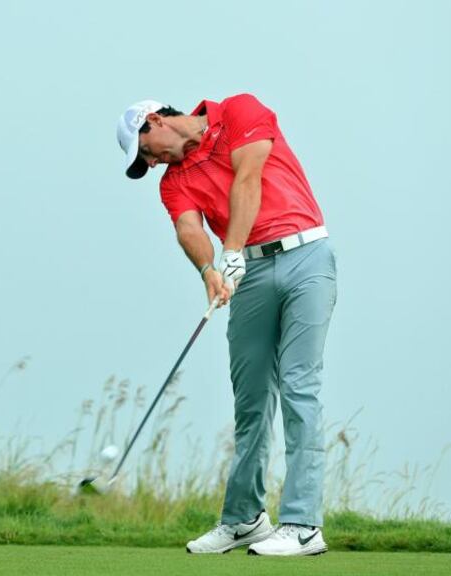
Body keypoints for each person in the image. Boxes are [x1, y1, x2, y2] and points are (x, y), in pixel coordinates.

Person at [115, 94, 337, 556]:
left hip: (306, 255)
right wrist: (209, 271)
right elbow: (189, 229)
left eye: (148, 151)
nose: (152, 163)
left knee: (299, 386)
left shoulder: (238, 110)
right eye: (145, 163)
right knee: (252, 398)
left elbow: (249, 178)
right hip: (250, 276)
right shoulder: (173, 181)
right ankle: (244, 519)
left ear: (155, 120)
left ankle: (302, 525)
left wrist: (231, 250)